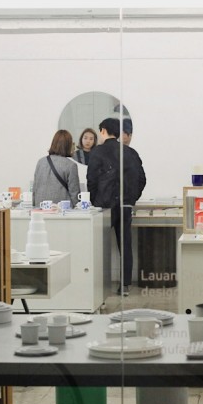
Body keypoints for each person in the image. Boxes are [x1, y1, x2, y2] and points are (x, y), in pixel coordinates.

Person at [87, 117, 146, 296]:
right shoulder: (130, 152)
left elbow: (91, 180)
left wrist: (95, 200)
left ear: (104, 131)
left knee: (99, 245)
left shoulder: (97, 152)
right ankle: (125, 285)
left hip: (104, 206)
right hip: (125, 205)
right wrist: (131, 198)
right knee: (125, 244)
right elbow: (142, 179)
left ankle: (98, 285)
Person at [32, 129, 81, 207]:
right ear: (68, 145)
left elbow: (34, 189)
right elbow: (75, 194)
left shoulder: (40, 162)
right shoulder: (71, 165)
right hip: (60, 211)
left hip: (41, 208)